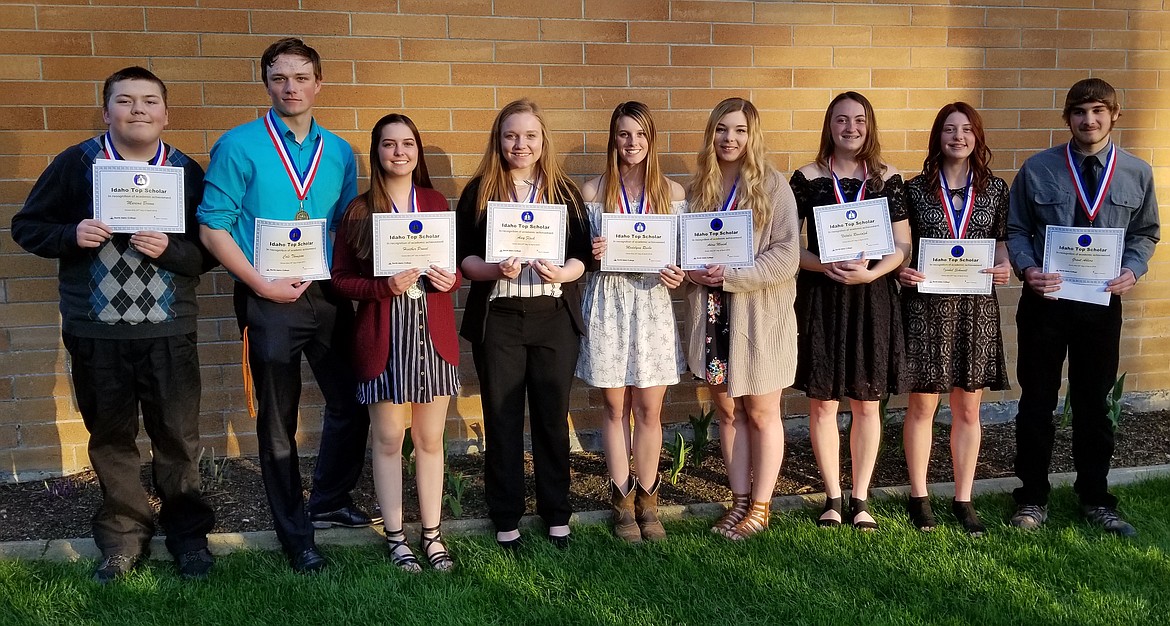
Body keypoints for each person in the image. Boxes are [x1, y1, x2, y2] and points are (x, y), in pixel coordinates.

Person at [11, 67, 216, 582]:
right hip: (97, 331)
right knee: (110, 439)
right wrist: (69, 233)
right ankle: (124, 539)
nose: (138, 109)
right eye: (125, 101)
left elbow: (210, 252)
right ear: (107, 112)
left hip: (168, 329)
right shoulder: (78, 164)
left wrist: (173, 250)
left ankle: (188, 538)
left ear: (166, 113)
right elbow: (27, 227)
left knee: (177, 438)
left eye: (150, 101)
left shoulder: (186, 172)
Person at [197, 38, 375, 573]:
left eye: (300, 77)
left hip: (327, 294)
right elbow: (213, 225)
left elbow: (348, 227)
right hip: (268, 295)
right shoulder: (238, 145)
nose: (290, 87)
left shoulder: (341, 151)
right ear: (266, 83)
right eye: (279, 78)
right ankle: (296, 535)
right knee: (279, 418)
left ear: (318, 84)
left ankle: (329, 499)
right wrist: (260, 284)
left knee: (352, 400)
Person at [1006, 78, 1160, 537]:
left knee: (1093, 404)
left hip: (1100, 306)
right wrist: (1028, 269)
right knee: (1036, 403)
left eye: (1097, 111)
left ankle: (1096, 497)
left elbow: (1145, 233)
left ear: (1114, 115)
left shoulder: (1136, 172)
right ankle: (1031, 498)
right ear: (1067, 119)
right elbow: (1016, 231)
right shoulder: (1037, 169)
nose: (1088, 120)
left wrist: (1134, 269)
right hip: (1045, 305)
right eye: (1078, 112)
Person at [456, 99, 591, 550]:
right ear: (499, 139)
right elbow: (465, 261)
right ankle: (507, 517)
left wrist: (563, 272)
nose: (521, 144)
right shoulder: (479, 191)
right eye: (512, 135)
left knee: (553, 420)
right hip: (500, 320)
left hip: (553, 318)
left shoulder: (564, 192)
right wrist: (495, 270)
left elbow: (583, 257)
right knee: (502, 419)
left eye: (530, 135)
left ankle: (557, 515)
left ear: (542, 140)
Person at [331, 114, 459, 572]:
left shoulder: (435, 200)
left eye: (408, 143)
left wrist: (451, 278)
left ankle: (432, 535)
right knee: (388, 439)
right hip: (384, 339)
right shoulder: (360, 209)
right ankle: (396, 538)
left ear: (418, 151)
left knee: (429, 440)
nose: (399, 152)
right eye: (389, 144)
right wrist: (382, 287)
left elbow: (453, 271)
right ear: (377, 152)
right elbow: (341, 280)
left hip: (433, 336)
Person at [791, 91, 911, 531]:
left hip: (870, 297)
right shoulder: (806, 178)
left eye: (859, 120)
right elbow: (788, 245)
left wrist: (873, 274)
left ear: (869, 125)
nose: (850, 128)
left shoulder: (887, 179)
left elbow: (903, 245)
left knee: (866, 402)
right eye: (841, 120)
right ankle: (833, 497)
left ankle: (861, 498)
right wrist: (821, 265)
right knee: (822, 403)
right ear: (829, 126)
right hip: (822, 297)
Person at [683, 97, 801, 541]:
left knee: (763, 412)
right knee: (728, 412)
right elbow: (686, 251)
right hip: (713, 317)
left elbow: (786, 256)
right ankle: (737, 502)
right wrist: (694, 270)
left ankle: (762, 507)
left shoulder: (773, 187)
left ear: (752, 136)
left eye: (738, 131)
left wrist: (733, 275)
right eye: (720, 130)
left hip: (758, 319)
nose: (729, 139)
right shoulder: (700, 188)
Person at [896, 103, 1011, 536]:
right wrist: (902, 269)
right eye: (949, 129)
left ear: (977, 136)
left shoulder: (996, 190)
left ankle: (964, 499)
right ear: (937, 136)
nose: (958, 136)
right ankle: (919, 497)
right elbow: (903, 245)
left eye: (966, 129)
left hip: (975, 310)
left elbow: (1000, 243)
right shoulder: (913, 189)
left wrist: (1004, 265)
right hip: (926, 309)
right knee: (923, 405)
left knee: (968, 407)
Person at [575, 102, 687, 543]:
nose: (632, 143)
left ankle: (648, 498)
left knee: (649, 409)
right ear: (612, 138)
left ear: (651, 139)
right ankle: (621, 500)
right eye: (624, 134)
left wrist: (678, 273)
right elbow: (577, 259)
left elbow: (682, 260)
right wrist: (591, 253)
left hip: (652, 303)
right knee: (614, 406)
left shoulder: (672, 193)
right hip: (608, 303)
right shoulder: (591, 191)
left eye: (640, 134)